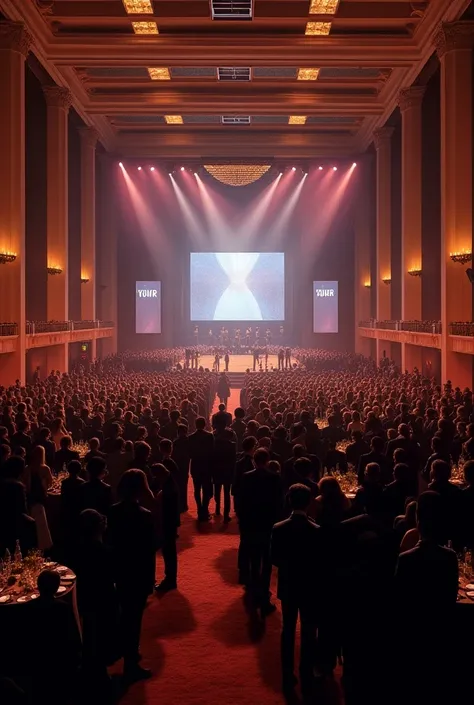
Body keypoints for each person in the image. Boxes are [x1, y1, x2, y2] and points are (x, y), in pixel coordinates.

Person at [271, 484, 322, 695]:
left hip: (289, 584)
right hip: (309, 586)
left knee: (288, 630)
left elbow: (274, 559)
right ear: (309, 502)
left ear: (289, 501)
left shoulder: (279, 528)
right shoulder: (316, 530)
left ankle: (286, 674)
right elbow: (321, 561)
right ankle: (306, 672)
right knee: (309, 630)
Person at [107, 470, 156, 682]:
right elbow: (149, 550)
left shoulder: (112, 511)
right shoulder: (144, 515)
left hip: (119, 569)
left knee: (124, 614)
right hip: (138, 572)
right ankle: (130, 663)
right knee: (133, 618)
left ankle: (129, 654)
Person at [74, 509, 119, 700]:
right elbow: (114, 575)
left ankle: (91, 671)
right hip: (103, 598)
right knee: (101, 635)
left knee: (91, 634)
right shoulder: (104, 552)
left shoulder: (78, 549)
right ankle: (99, 676)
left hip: (86, 597)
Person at [236, 448, 283, 615]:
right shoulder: (274, 478)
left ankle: (255, 589)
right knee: (267, 561)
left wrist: (242, 520)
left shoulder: (247, 477)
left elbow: (241, 501)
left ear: (254, 461)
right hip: (268, 523)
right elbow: (279, 503)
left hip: (251, 523)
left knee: (254, 559)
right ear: (268, 460)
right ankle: (263, 593)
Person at [26, 570, 81, 705]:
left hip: (38, 661)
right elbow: (73, 637)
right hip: (60, 660)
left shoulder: (30, 607)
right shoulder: (62, 608)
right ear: (57, 588)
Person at [150, 463, 179, 591]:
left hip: (168, 524)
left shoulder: (168, 489)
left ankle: (170, 580)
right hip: (171, 524)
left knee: (169, 553)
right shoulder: (170, 482)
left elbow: (166, 510)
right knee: (169, 552)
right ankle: (170, 579)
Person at [188, 416, 214, 521]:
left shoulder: (191, 437)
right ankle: (205, 509)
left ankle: (199, 509)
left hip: (196, 465)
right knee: (207, 489)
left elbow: (189, 454)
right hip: (207, 466)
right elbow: (213, 452)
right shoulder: (210, 436)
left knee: (197, 489)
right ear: (205, 425)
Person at [212, 427, 236, 522]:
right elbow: (233, 460)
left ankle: (217, 509)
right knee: (227, 494)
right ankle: (226, 515)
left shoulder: (215, 444)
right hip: (227, 472)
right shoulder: (232, 445)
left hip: (217, 470)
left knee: (217, 491)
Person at [172, 424, 190, 513]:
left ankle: (179, 504)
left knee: (178, 485)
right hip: (185, 465)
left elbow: (173, 455)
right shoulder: (188, 441)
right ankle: (184, 504)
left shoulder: (176, 442)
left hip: (177, 465)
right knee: (184, 485)